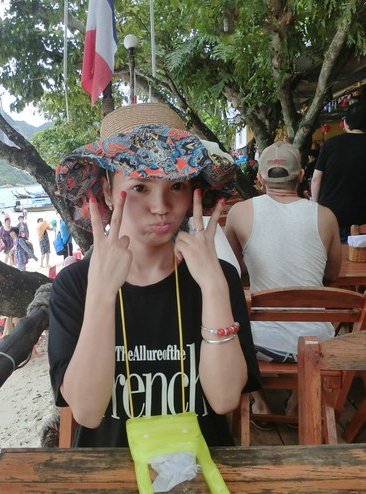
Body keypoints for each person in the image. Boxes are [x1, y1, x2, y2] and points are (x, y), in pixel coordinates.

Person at [49, 103, 260, 447]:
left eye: (176, 186)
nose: (161, 207)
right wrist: (101, 294)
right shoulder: (74, 285)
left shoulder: (216, 278)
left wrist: (213, 288)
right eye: (140, 187)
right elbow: (86, 411)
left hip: (200, 470)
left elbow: (224, 400)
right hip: (110, 469)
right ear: (107, 191)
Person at [225, 141, 341, 362]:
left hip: (262, 343)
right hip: (317, 343)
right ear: (301, 175)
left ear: (260, 177)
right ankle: (301, 386)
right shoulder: (326, 215)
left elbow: (233, 269)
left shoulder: (239, 212)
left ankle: (262, 388)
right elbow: (332, 274)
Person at [311, 101, 366, 242]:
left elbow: (316, 179)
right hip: (356, 214)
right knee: (353, 253)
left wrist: (315, 207)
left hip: (326, 212)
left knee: (325, 252)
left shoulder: (330, 144)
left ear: (346, 123)